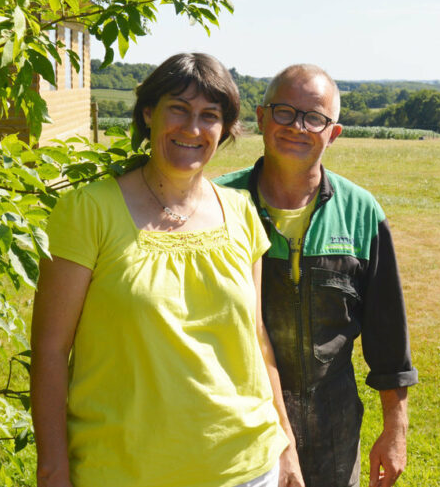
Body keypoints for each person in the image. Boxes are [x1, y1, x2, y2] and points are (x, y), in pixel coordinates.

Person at [30, 53, 303, 487]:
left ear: (224, 130)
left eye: (209, 116)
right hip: (123, 472)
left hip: (247, 469)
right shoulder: (88, 212)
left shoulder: (241, 212)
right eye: (178, 108)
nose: (192, 128)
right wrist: (52, 471)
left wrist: (286, 443)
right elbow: (48, 353)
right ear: (148, 113)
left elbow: (256, 338)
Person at [217, 64, 418, 487]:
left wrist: (395, 428)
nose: (297, 127)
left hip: (334, 430)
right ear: (261, 116)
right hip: (239, 431)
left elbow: (388, 333)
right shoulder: (217, 204)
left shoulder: (362, 213)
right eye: (284, 112)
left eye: (314, 118)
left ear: (334, 132)